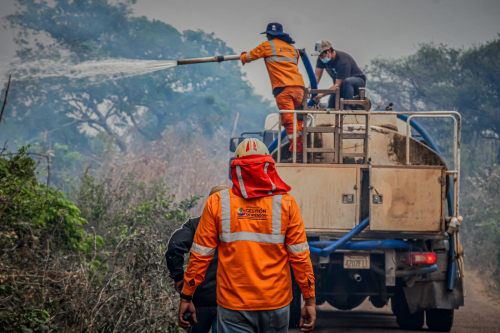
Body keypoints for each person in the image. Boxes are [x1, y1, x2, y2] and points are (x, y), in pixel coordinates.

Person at [178, 138, 316, 333]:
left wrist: (187, 296)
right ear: (268, 166)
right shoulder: (286, 203)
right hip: (275, 305)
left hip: (233, 307)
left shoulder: (218, 202)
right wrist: (309, 300)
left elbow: (200, 256)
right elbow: (300, 258)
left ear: (235, 169)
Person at [166, 185, 228, 333]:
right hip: (229, 301)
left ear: (208, 203)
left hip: (198, 299)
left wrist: (178, 277)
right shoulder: (240, 228)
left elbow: (175, 246)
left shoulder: (194, 225)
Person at [240, 22, 306, 162]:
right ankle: (301, 151)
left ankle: (297, 153)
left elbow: (249, 57)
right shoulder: (292, 49)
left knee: (289, 122)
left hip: (284, 89)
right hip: (299, 88)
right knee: (299, 121)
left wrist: (243, 56)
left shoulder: (267, 46)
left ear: (269, 35)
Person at [311, 40, 367, 109]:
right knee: (331, 105)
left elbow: (338, 84)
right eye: (319, 56)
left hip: (356, 83)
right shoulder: (321, 60)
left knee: (347, 81)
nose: (320, 58)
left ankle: (347, 108)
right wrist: (310, 88)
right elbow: (316, 77)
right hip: (340, 86)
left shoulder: (342, 61)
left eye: (322, 55)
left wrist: (322, 94)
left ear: (328, 51)